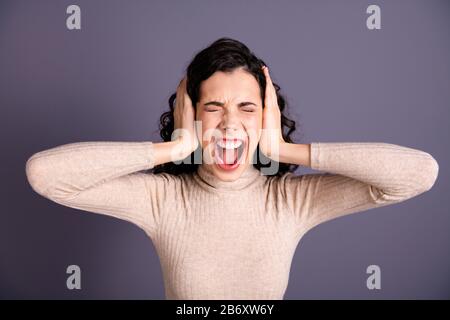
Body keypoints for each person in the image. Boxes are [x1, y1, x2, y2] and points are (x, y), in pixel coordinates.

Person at [25, 37, 439, 299]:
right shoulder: (163, 200)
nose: (228, 124)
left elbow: (418, 174)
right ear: (191, 113)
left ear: (266, 116)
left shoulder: (290, 201)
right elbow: (46, 175)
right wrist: (177, 147)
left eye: (246, 108)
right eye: (213, 107)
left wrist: (285, 151)